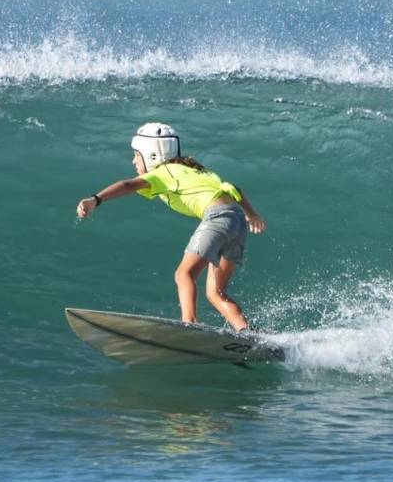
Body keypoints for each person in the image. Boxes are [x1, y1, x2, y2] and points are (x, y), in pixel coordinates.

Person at [76, 122, 266, 332]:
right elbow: (233, 188)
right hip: (237, 220)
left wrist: (96, 199)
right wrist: (251, 214)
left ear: (152, 155)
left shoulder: (163, 172)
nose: (133, 161)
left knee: (183, 274)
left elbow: (128, 185)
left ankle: (190, 327)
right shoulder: (193, 170)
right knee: (216, 292)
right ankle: (247, 332)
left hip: (217, 217)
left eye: (136, 155)